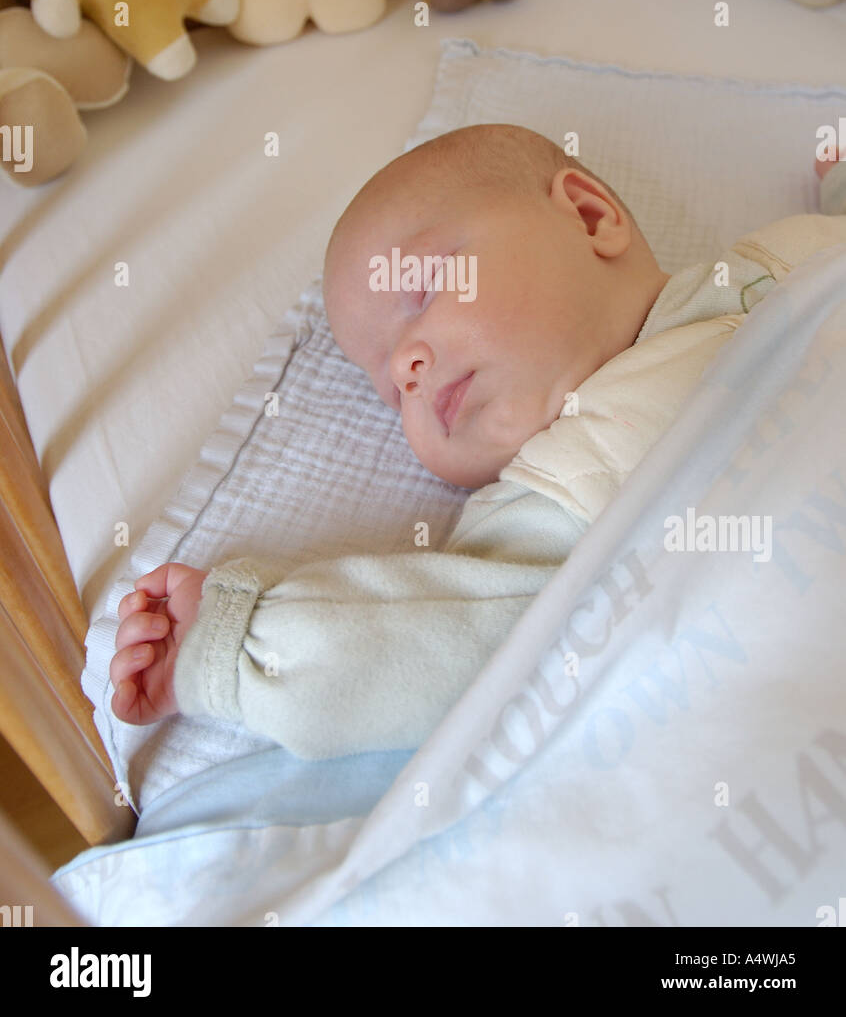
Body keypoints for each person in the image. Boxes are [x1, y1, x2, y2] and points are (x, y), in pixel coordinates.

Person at [109, 123, 846, 759]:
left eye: (426, 286)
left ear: (590, 218)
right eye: (390, 390)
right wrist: (227, 648)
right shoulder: (550, 499)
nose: (407, 366)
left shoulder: (777, 259)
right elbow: (441, 651)